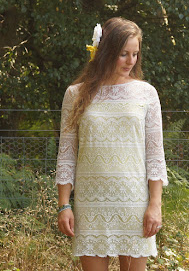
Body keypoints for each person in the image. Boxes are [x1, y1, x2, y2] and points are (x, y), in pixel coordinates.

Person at [55, 17, 168, 271]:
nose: (131, 61)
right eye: (123, 54)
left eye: (135, 54)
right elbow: (66, 154)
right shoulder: (76, 94)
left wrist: (155, 205)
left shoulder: (146, 94)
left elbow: (155, 155)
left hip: (134, 206)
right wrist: (64, 205)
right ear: (105, 52)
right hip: (90, 205)